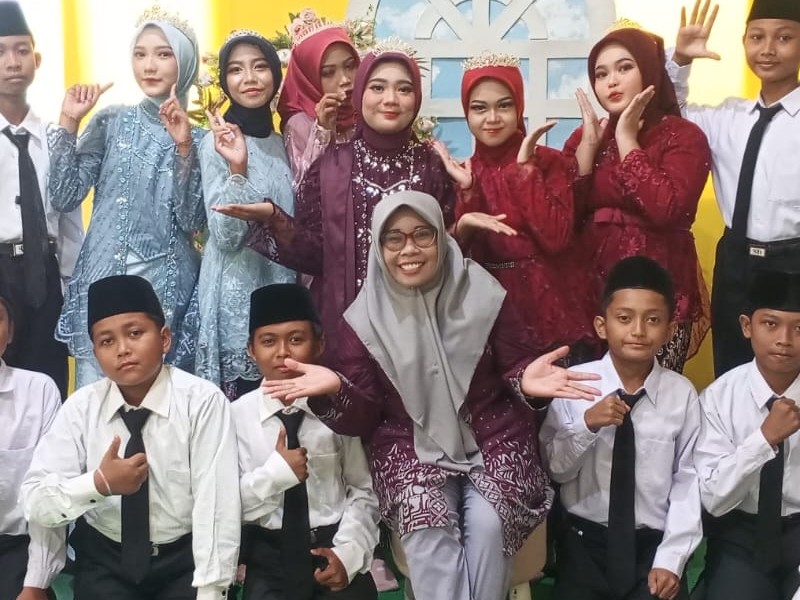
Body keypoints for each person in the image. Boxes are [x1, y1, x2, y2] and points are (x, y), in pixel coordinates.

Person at [258, 191, 600, 600]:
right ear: (379, 245)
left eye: (422, 234)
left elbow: (516, 362)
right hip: (408, 443)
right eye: (394, 238)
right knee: (426, 527)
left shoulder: (482, 292)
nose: (409, 249)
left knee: (489, 526)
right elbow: (365, 416)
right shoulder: (364, 318)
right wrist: (336, 387)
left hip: (493, 434)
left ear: (441, 235)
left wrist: (525, 379)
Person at [215, 42, 456, 362]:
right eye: (378, 87)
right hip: (346, 329)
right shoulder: (332, 165)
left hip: (420, 327)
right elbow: (316, 253)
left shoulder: (431, 165)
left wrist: (468, 197)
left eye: (404, 89)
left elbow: (449, 249)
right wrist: (274, 217)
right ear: (359, 94)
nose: (390, 99)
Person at [21, 275, 240, 600]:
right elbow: (35, 502)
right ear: (95, 353)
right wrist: (98, 484)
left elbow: (217, 506)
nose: (123, 349)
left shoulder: (202, 402)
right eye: (106, 341)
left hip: (184, 559)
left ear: (164, 338)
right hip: (105, 558)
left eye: (135, 333)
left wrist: (211, 591)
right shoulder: (81, 409)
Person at [47, 7, 206, 388]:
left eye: (163, 54)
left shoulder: (201, 139)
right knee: (97, 401)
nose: (149, 66)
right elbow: (64, 195)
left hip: (166, 289)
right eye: (140, 54)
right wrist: (69, 121)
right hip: (102, 279)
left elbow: (192, 221)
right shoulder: (111, 121)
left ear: (185, 61)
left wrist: (184, 147)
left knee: (163, 402)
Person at [540, 256, 702, 600]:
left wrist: (671, 560)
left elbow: (688, 482)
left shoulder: (681, 395)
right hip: (584, 544)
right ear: (602, 326)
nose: (638, 331)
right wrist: (587, 424)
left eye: (653, 320)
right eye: (624, 318)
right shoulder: (575, 385)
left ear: (670, 331)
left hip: (652, 549)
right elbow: (556, 470)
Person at [563, 26, 711, 373]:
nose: (611, 81)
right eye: (601, 74)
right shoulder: (586, 136)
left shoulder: (683, 136)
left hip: (658, 289)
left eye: (624, 67)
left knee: (654, 393)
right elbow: (562, 221)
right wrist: (587, 148)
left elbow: (668, 210)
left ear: (649, 68)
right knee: (592, 393)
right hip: (591, 292)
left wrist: (628, 141)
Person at [435, 52, 595, 361]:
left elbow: (557, 238)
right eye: (479, 108)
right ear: (466, 112)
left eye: (504, 105)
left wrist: (524, 172)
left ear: (519, 106)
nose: (492, 118)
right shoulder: (462, 173)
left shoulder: (548, 162)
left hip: (550, 308)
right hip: (490, 315)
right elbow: (450, 261)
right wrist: (468, 196)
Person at [671, 0, 800, 376]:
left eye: (784, 38)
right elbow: (669, 112)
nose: (768, 49)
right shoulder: (727, 117)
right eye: (757, 37)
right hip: (735, 260)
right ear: (744, 42)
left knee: (790, 373)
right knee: (730, 367)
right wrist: (680, 59)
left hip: (793, 260)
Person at [233, 283, 379, 600]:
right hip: (268, 560)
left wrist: (349, 554)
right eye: (268, 341)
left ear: (319, 343)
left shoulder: (337, 411)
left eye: (296, 339)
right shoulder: (234, 418)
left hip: (333, 545)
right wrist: (276, 475)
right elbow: (228, 503)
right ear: (251, 350)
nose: (282, 352)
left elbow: (363, 490)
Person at [195, 30, 295, 401]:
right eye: (236, 70)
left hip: (280, 292)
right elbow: (224, 236)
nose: (249, 78)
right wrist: (237, 169)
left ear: (276, 74)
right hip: (235, 302)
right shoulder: (217, 141)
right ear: (224, 81)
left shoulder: (281, 143)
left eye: (259, 67)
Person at [693, 269, 800, 600]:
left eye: (799, 328)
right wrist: (764, 440)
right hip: (740, 533)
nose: (784, 339)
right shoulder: (718, 398)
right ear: (746, 326)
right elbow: (713, 500)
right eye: (770, 324)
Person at [0, 0, 83, 398]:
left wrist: (71, 290)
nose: (12, 62)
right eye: (0, 52)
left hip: (46, 278)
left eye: (21, 50)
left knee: (50, 384)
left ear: (37, 59)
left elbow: (69, 221)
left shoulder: (55, 139)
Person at [0, 293, 66, 600]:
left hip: (15, 548)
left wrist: (36, 583)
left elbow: (48, 493)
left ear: (11, 331)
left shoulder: (38, 391)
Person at [276, 9, 360, 188]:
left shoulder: (365, 110)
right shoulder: (300, 124)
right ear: (308, 77)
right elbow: (304, 189)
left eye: (350, 66)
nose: (345, 80)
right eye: (328, 73)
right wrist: (322, 131)